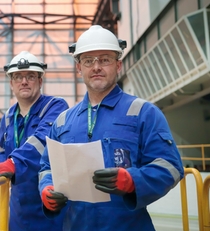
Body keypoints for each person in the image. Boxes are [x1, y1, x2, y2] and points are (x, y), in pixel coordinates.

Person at [38, 25, 184, 231]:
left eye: (105, 59)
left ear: (118, 65)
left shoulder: (143, 112)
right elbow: (47, 168)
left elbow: (171, 167)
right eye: (88, 61)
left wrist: (134, 180)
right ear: (79, 68)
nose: (96, 67)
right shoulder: (63, 121)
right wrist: (47, 188)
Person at [0, 51, 69, 231]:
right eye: (18, 77)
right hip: (19, 208)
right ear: (11, 83)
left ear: (40, 81)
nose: (24, 81)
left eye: (30, 76)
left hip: (50, 200)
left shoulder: (55, 107)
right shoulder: (9, 117)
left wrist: (13, 163)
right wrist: (2, 165)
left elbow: (43, 139)